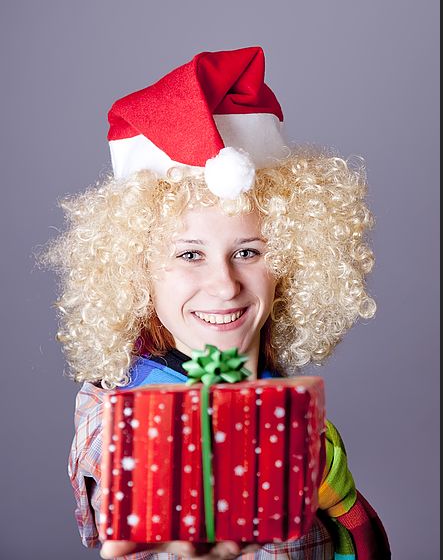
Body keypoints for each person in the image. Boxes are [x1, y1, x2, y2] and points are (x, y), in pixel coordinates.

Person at [45, 47, 390, 559]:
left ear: (292, 257)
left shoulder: (276, 398)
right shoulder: (129, 425)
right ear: (134, 270)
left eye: (247, 251)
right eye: (190, 254)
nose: (225, 285)